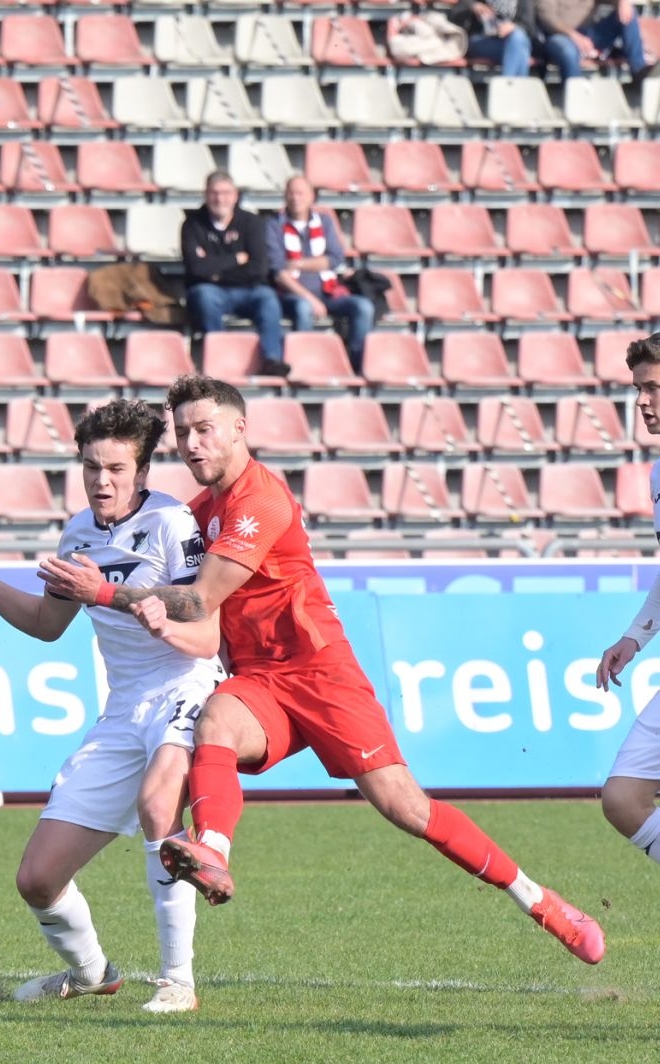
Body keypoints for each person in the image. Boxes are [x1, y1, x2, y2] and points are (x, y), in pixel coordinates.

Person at [39, 374, 606, 967]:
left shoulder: (261, 499)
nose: (192, 444)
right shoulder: (195, 513)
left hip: (320, 672)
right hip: (259, 678)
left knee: (408, 809)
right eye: (183, 433)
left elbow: (201, 602)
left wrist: (104, 593)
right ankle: (211, 852)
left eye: (204, 429)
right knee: (216, 723)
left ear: (239, 429)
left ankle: (541, 902)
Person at [0, 400, 222, 1013]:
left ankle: (179, 980)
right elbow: (47, 624)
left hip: (186, 687)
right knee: (37, 879)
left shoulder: (174, 526)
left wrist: (138, 605)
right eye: (92, 467)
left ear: (143, 472)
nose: (103, 481)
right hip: (123, 711)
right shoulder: (77, 532)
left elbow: (207, 636)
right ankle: (94, 973)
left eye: (117, 469)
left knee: (158, 809)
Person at [594, 335, 660, 859]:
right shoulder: (659, 472)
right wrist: (634, 637)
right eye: (640, 389)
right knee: (624, 798)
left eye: (654, 388)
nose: (642, 400)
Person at [182, 172, 290, 380]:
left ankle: (272, 359)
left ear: (235, 196)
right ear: (205, 195)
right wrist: (237, 259)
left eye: (225, 193)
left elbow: (259, 268)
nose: (220, 199)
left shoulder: (252, 223)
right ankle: (219, 357)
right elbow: (196, 268)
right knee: (204, 295)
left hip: (248, 290)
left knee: (268, 298)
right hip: (210, 291)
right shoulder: (192, 225)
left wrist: (214, 270)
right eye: (214, 193)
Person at [269, 175, 378, 375]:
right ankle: (306, 365)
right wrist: (310, 297)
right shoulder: (274, 225)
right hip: (293, 295)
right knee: (303, 308)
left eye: (300, 193)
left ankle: (355, 367)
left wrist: (299, 263)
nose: (295, 198)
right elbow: (279, 271)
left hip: (328, 292)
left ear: (312, 197)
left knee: (363, 307)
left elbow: (335, 258)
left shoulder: (324, 222)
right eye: (291, 193)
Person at [539, 0, 649, 81]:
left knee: (629, 12)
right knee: (568, 51)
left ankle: (638, 71)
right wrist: (574, 36)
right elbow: (546, 16)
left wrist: (622, 2)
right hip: (560, 36)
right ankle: (576, 96)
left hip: (588, 35)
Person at [446, 0, 539, 74]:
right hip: (480, 40)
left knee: (518, 39)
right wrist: (474, 6)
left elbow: (529, 26)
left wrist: (513, 26)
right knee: (520, 47)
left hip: (509, 42)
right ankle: (512, 90)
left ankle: (509, 88)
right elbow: (454, 14)